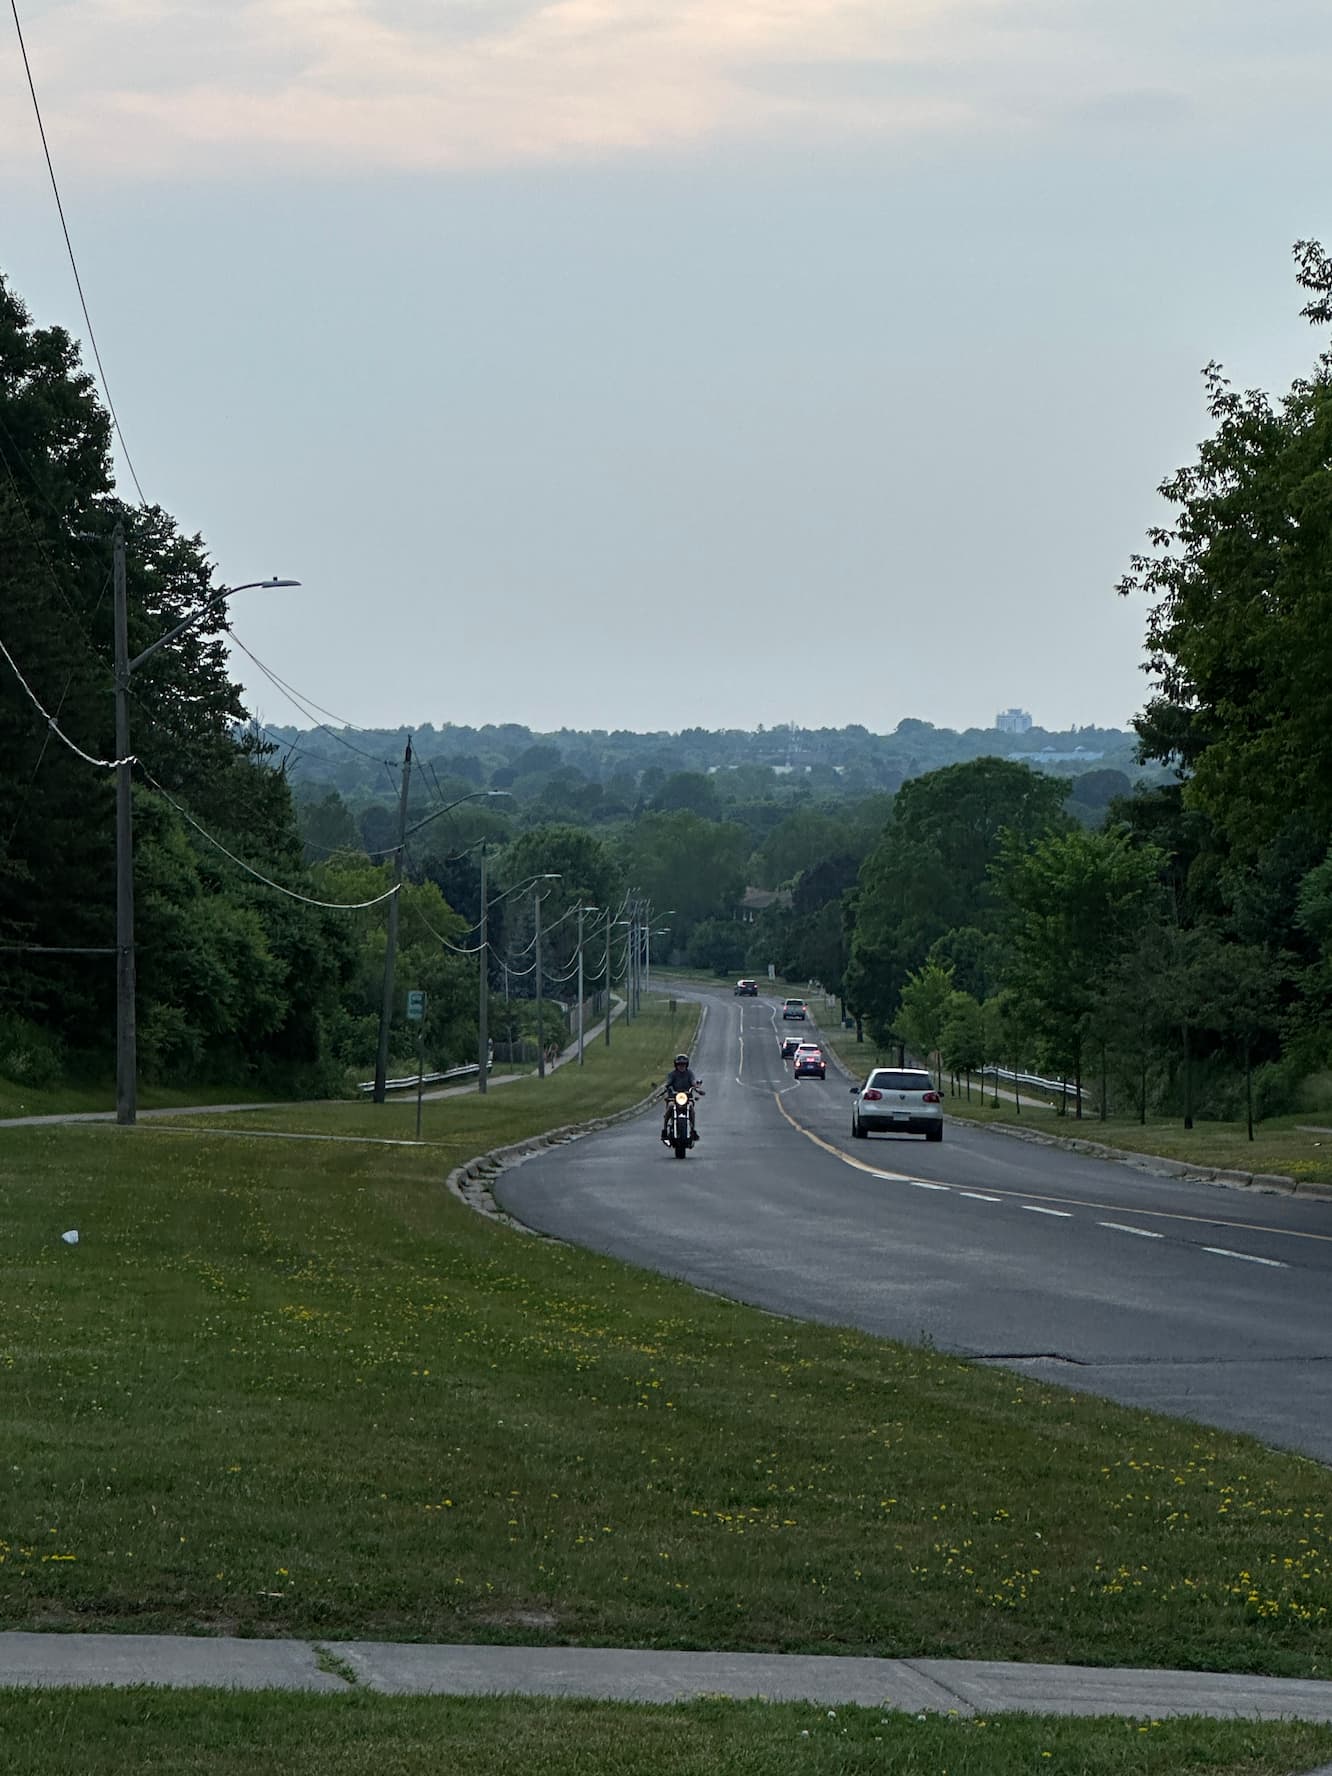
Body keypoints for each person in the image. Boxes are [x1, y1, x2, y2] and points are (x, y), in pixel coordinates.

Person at [662, 1052, 704, 1144]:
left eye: (683, 1064)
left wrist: (697, 1088)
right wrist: (664, 1089)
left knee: (691, 1108)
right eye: (679, 1064)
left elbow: (693, 1082)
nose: (681, 1066)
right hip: (674, 1098)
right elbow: (668, 1083)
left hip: (687, 1098)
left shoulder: (689, 1073)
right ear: (676, 1065)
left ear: (686, 1065)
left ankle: (693, 1130)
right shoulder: (672, 1074)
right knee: (670, 1106)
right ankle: (665, 1130)